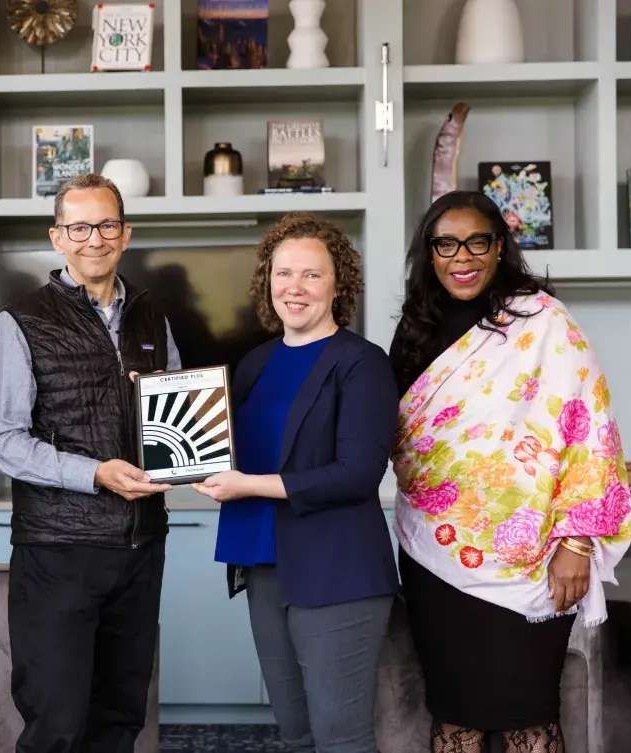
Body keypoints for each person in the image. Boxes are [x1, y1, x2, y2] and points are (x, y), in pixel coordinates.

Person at [389, 191, 631, 753]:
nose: (462, 256)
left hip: (535, 559)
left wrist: (576, 542)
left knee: (530, 718)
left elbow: (589, 428)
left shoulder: (544, 321)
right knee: (455, 716)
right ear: (429, 253)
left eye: (478, 241)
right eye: (445, 244)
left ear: (500, 247)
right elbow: (399, 432)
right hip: (437, 555)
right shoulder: (416, 328)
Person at [0, 173, 181, 752]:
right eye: (80, 226)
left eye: (107, 225)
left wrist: (184, 446)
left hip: (141, 548)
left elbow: (174, 415)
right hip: (58, 553)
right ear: (58, 237)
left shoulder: (152, 317)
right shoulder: (19, 322)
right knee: (57, 726)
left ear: (125, 233)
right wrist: (93, 473)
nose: (95, 238)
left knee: (120, 720)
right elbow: (0, 439)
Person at [192, 214, 399, 753]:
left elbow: (357, 475)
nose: (295, 288)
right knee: (296, 732)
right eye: (283, 273)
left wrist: (248, 486)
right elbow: (226, 449)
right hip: (264, 566)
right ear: (267, 281)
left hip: (336, 572)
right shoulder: (255, 364)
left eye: (312, 274)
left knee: (341, 737)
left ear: (338, 285)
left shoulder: (362, 364)